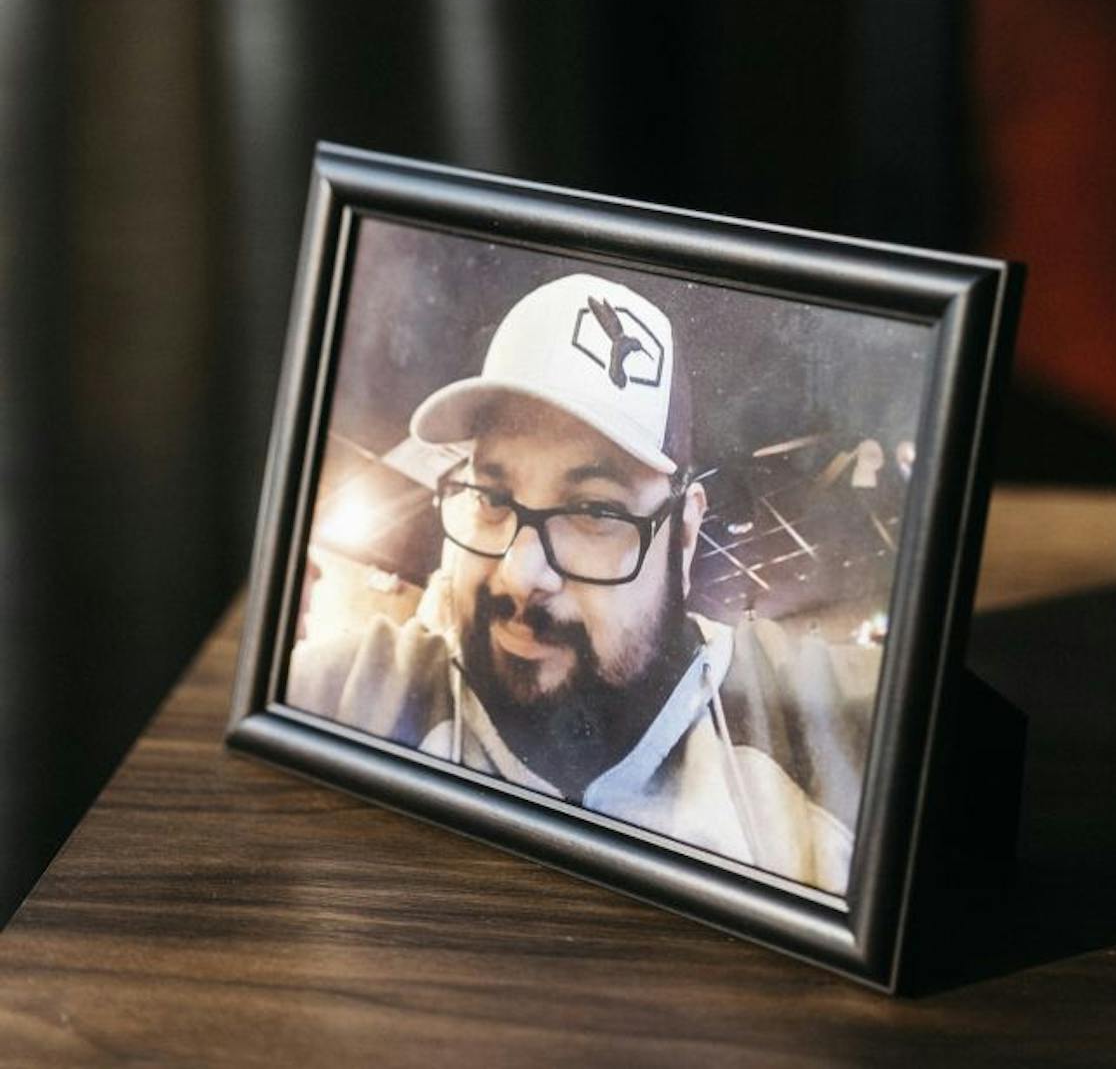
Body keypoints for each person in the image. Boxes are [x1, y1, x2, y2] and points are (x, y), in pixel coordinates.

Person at [286, 272, 880, 896]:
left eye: (596, 512)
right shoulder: (348, 696)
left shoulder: (824, 734)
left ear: (682, 534)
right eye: (492, 496)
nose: (520, 574)